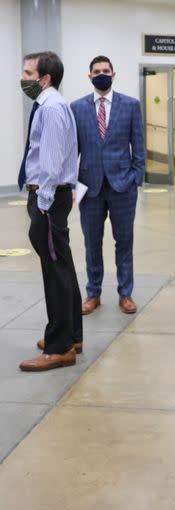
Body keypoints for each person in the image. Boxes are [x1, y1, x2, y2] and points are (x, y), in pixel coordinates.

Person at [17, 51, 83, 372]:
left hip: (48, 199)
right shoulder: (49, 105)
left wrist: (41, 204)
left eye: (28, 73)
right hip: (51, 198)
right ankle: (71, 334)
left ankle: (60, 348)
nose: (23, 78)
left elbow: (52, 162)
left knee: (54, 271)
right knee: (62, 266)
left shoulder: (52, 108)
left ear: (45, 78)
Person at [70, 55, 145, 316]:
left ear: (113, 74)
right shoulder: (76, 108)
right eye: (96, 71)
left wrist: (137, 177)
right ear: (89, 76)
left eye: (106, 70)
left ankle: (126, 293)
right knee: (92, 242)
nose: (101, 74)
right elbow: (72, 150)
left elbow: (139, 145)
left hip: (123, 185)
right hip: (89, 187)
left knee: (124, 242)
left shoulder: (131, 105)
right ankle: (93, 293)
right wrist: (72, 184)